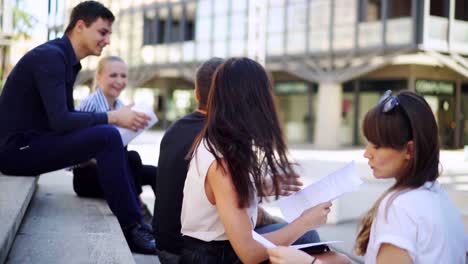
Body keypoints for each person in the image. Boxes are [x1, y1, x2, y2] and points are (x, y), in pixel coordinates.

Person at [0, 1, 156, 254]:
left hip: (34, 142)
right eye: (102, 32)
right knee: (106, 135)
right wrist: (113, 117)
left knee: (118, 147)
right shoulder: (51, 57)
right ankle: (132, 227)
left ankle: (137, 221)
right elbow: (62, 121)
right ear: (80, 26)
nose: (106, 41)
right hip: (16, 151)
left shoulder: (64, 59)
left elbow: (65, 119)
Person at [178, 57, 350, 264]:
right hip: (217, 257)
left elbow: (219, 196)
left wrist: (257, 187)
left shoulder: (219, 140)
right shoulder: (223, 162)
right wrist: (304, 222)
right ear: (254, 101)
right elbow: (249, 253)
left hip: (215, 251)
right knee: (336, 260)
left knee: (324, 252)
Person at [266, 90, 467, 264]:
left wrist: (309, 263)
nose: (366, 153)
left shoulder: (400, 207)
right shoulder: (437, 196)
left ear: (409, 149)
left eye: (377, 145)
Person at [73, 56, 156, 224]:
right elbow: (72, 156)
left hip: (115, 171)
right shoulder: (89, 105)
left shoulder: (120, 106)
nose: (119, 81)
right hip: (87, 177)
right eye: (113, 75)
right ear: (98, 77)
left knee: (155, 173)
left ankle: (166, 226)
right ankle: (138, 208)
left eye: (123, 76)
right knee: (131, 159)